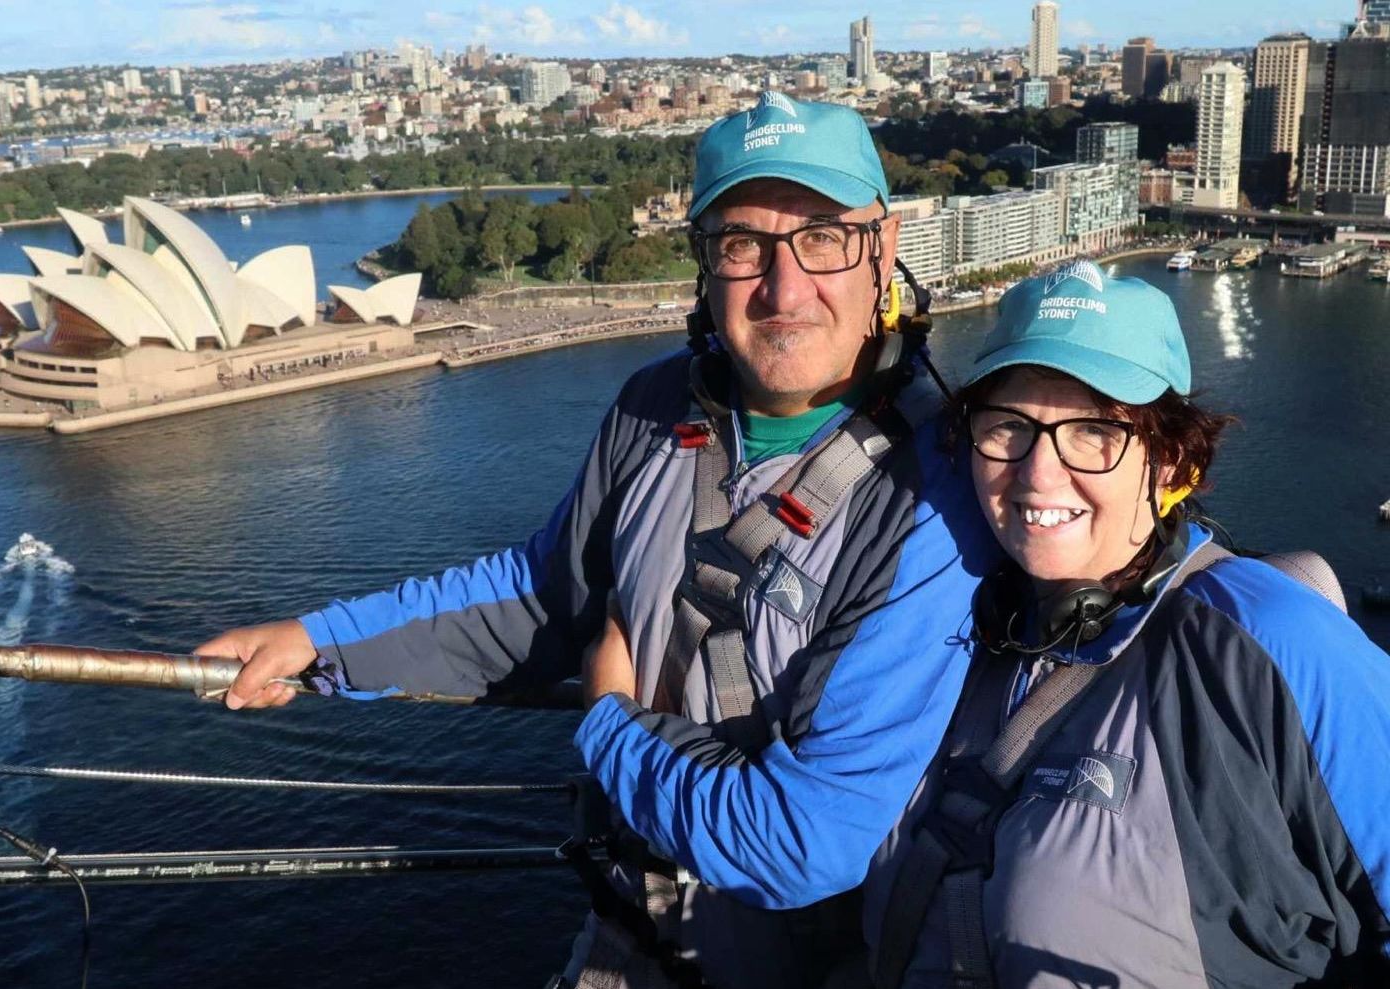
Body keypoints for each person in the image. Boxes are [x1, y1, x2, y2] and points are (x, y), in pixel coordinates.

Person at [197, 92, 997, 988]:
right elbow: (544, 596)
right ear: (706, 266)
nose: (783, 288)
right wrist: (319, 641)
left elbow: (809, 841)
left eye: (823, 237)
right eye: (743, 244)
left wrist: (610, 726)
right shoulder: (655, 412)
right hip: (630, 935)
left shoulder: (936, 499)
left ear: (882, 251)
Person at [851, 262, 1390, 988]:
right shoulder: (953, 620)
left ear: (1171, 460)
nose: (1039, 472)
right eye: (1009, 424)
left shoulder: (1271, 641)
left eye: (1094, 431)